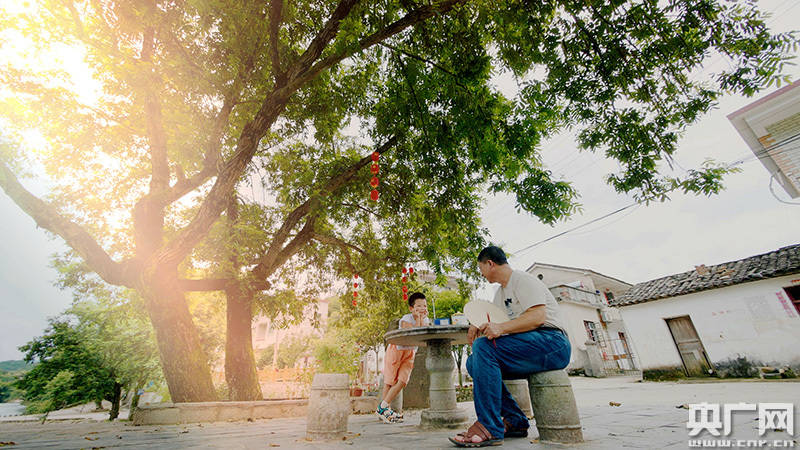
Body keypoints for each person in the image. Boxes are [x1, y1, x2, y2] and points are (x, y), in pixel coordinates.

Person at [450, 246, 571, 447]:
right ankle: (515, 420)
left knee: (482, 348)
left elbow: (537, 317)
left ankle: (489, 426)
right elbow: (498, 326)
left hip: (553, 343)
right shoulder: (499, 294)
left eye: (481, 268)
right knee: (474, 362)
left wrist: (500, 328)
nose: (481, 274)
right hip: (529, 346)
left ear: (490, 263)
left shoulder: (523, 280)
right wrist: (477, 325)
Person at [377, 291, 430, 423]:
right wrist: (418, 319)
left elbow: (422, 336)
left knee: (402, 381)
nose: (422, 309)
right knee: (389, 382)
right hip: (396, 350)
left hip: (410, 353)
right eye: (418, 306)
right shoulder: (406, 319)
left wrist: (421, 320)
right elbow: (414, 334)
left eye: (424, 306)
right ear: (411, 308)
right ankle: (385, 412)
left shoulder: (426, 320)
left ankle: (382, 409)